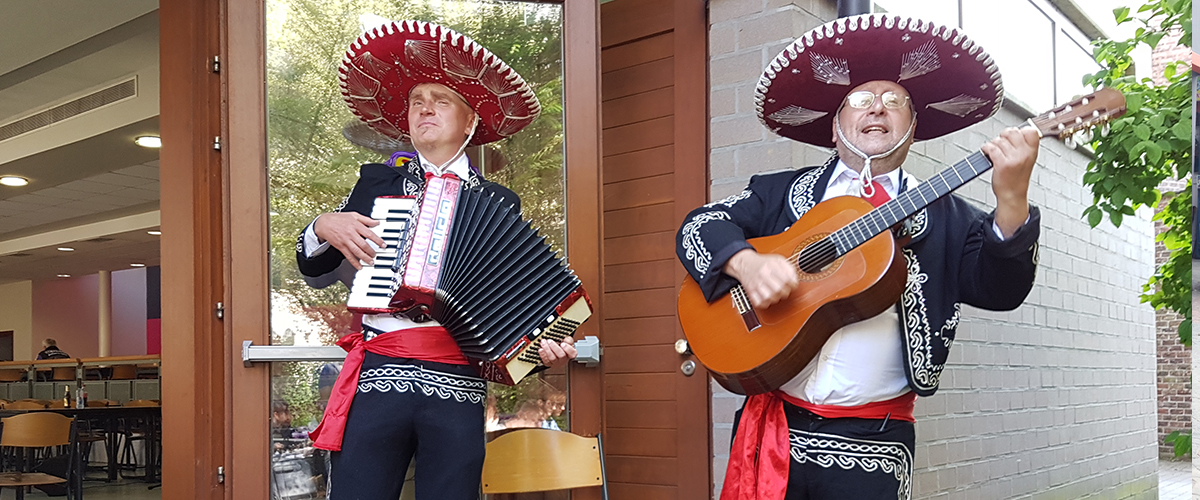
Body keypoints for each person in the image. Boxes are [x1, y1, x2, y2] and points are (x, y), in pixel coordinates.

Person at [676, 14, 1040, 500]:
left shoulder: (951, 219)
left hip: (875, 448)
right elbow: (696, 226)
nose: (878, 110)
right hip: (775, 431)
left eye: (895, 102)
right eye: (860, 101)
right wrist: (746, 263)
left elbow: (1002, 291)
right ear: (835, 126)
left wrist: (1012, 200)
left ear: (913, 129)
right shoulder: (780, 195)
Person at [295, 20, 577, 499]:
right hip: (380, 375)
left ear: (469, 123)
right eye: (416, 101)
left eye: (440, 99)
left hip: (457, 382)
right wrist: (323, 225)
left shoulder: (498, 201)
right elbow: (315, 271)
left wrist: (545, 345)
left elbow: (517, 299)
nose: (424, 107)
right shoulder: (375, 184)